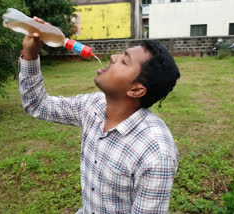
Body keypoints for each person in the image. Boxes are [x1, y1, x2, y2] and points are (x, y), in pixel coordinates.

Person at [18, 17, 180, 214]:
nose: (113, 57)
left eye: (124, 60)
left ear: (136, 90)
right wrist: (30, 54)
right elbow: (38, 105)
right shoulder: (93, 106)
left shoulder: (156, 153)